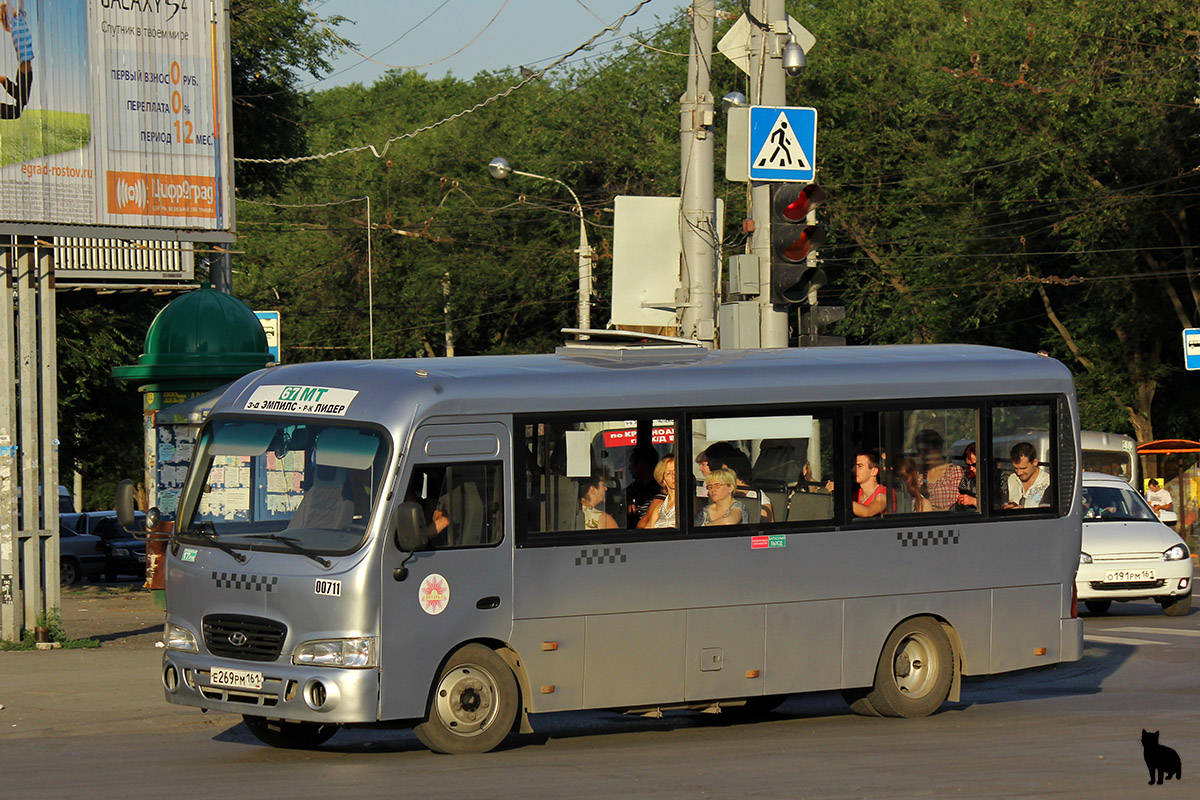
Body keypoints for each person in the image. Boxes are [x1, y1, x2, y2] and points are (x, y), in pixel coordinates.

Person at [0, 1, 33, 121]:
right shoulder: (11, 23)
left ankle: (3, 80)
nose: (14, 8)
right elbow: (8, 5)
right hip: (25, 69)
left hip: (26, 71)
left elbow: (22, 4)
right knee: (18, 110)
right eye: (11, 8)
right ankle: (3, 80)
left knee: (21, 103)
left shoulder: (20, 19)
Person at [916, 430, 963, 512]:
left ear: (938, 449)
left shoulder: (954, 472)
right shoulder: (919, 475)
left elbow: (959, 502)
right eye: (920, 452)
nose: (922, 455)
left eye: (926, 451)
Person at [1004, 441, 1051, 509]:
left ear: (1035, 462)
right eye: (1015, 468)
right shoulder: (1011, 479)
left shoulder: (1048, 482)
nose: (1019, 472)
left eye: (1023, 468)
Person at [637, 455, 677, 529]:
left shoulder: (688, 503)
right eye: (668, 473)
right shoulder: (658, 508)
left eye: (676, 472)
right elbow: (649, 531)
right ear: (663, 480)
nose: (673, 476)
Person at [625, 443, 660, 527]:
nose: (629, 467)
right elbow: (623, 493)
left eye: (632, 463)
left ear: (642, 463)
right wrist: (628, 500)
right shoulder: (637, 485)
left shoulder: (660, 487)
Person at [853, 449, 888, 517]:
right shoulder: (856, 494)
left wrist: (840, 496)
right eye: (854, 466)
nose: (854, 470)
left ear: (874, 471)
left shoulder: (885, 492)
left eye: (860, 466)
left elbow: (868, 512)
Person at [955, 442, 979, 511]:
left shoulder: (1000, 479)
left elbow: (999, 507)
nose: (971, 468)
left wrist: (974, 501)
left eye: (974, 464)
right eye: (968, 465)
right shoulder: (967, 478)